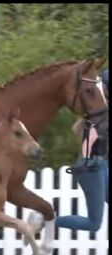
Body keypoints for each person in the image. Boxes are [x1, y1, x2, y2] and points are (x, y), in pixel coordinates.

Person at [55, 69, 108, 232]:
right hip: (90, 167)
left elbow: (75, 129)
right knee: (94, 223)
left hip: (102, 165)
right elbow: (77, 130)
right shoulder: (97, 111)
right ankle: (47, 220)